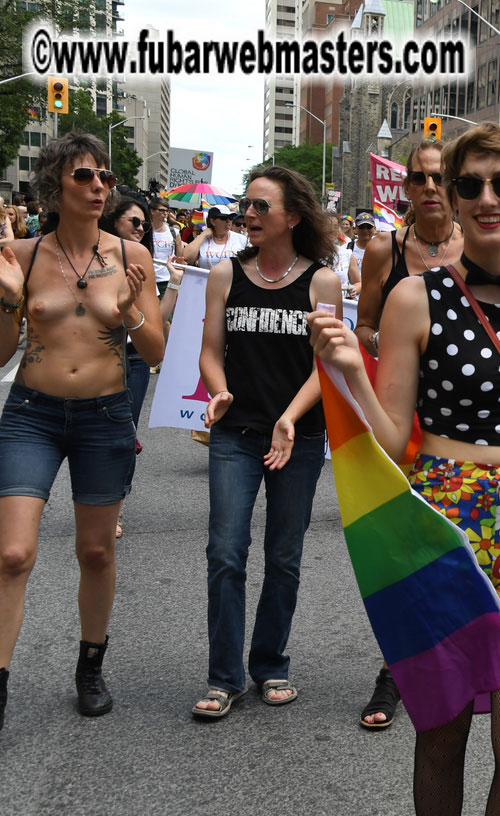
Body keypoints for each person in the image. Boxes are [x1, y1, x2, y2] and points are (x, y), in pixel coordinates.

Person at [311, 123, 500, 815]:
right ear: (447, 194)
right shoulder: (416, 297)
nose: (487, 197)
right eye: (470, 183)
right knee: (441, 737)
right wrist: (356, 369)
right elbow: (391, 444)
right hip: (441, 533)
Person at [0, 132, 164, 730]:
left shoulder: (132, 257)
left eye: (105, 178)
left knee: (95, 550)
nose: (99, 187)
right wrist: (6, 300)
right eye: (84, 177)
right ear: (55, 184)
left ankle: (89, 666)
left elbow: (154, 354)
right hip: (31, 415)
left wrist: (131, 311)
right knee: (12, 553)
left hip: (104, 415)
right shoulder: (21, 253)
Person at [191, 166, 342, 719]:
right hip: (235, 434)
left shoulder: (322, 282)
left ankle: (270, 664)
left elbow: (326, 365)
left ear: (292, 217)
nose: (247, 216)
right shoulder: (225, 275)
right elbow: (210, 350)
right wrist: (219, 389)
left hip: (297, 439)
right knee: (225, 552)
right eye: (245, 206)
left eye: (260, 207)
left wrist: (290, 418)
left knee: (285, 556)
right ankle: (223, 677)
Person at [356, 139, 463, 361]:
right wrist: (385, 342)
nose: (430, 187)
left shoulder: (475, 246)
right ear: (407, 188)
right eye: (419, 178)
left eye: (439, 178)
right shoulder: (382, 249)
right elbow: (363, 326)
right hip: (399, 386)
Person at [99, 196, 156, 539]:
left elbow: (156, 325)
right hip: (99, 356)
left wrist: (176, 284)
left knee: (125, 434)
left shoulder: (144, 261)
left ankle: (116, 504)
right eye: (134, 221)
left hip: (134, 358)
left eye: (144, 225)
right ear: (113, 220)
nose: (140, 229)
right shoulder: (92, 261)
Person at [183, 204, 250, 270]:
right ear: (212, 221)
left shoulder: (241, 239)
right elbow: (186, 258)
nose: (228, 221)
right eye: (223, 218)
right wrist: (203, 235)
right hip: (206, 280)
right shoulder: (202, 239)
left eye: (230, 218)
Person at [147, 197, 183, 297]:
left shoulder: (174, 232)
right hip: (149, 278)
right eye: (162, 210)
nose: (165, 213)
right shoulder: (144, 231)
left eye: (167, 211)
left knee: (167, 311)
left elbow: (179, 257)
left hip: (167, 279)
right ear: (152, 211)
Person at [347, 211, 377, 295]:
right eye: (361, 227)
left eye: (369, 227)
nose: (365, 230)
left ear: (374, 229)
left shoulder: (381, 248)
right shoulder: (347, 249)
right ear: (354, 229)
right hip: (353, 296)